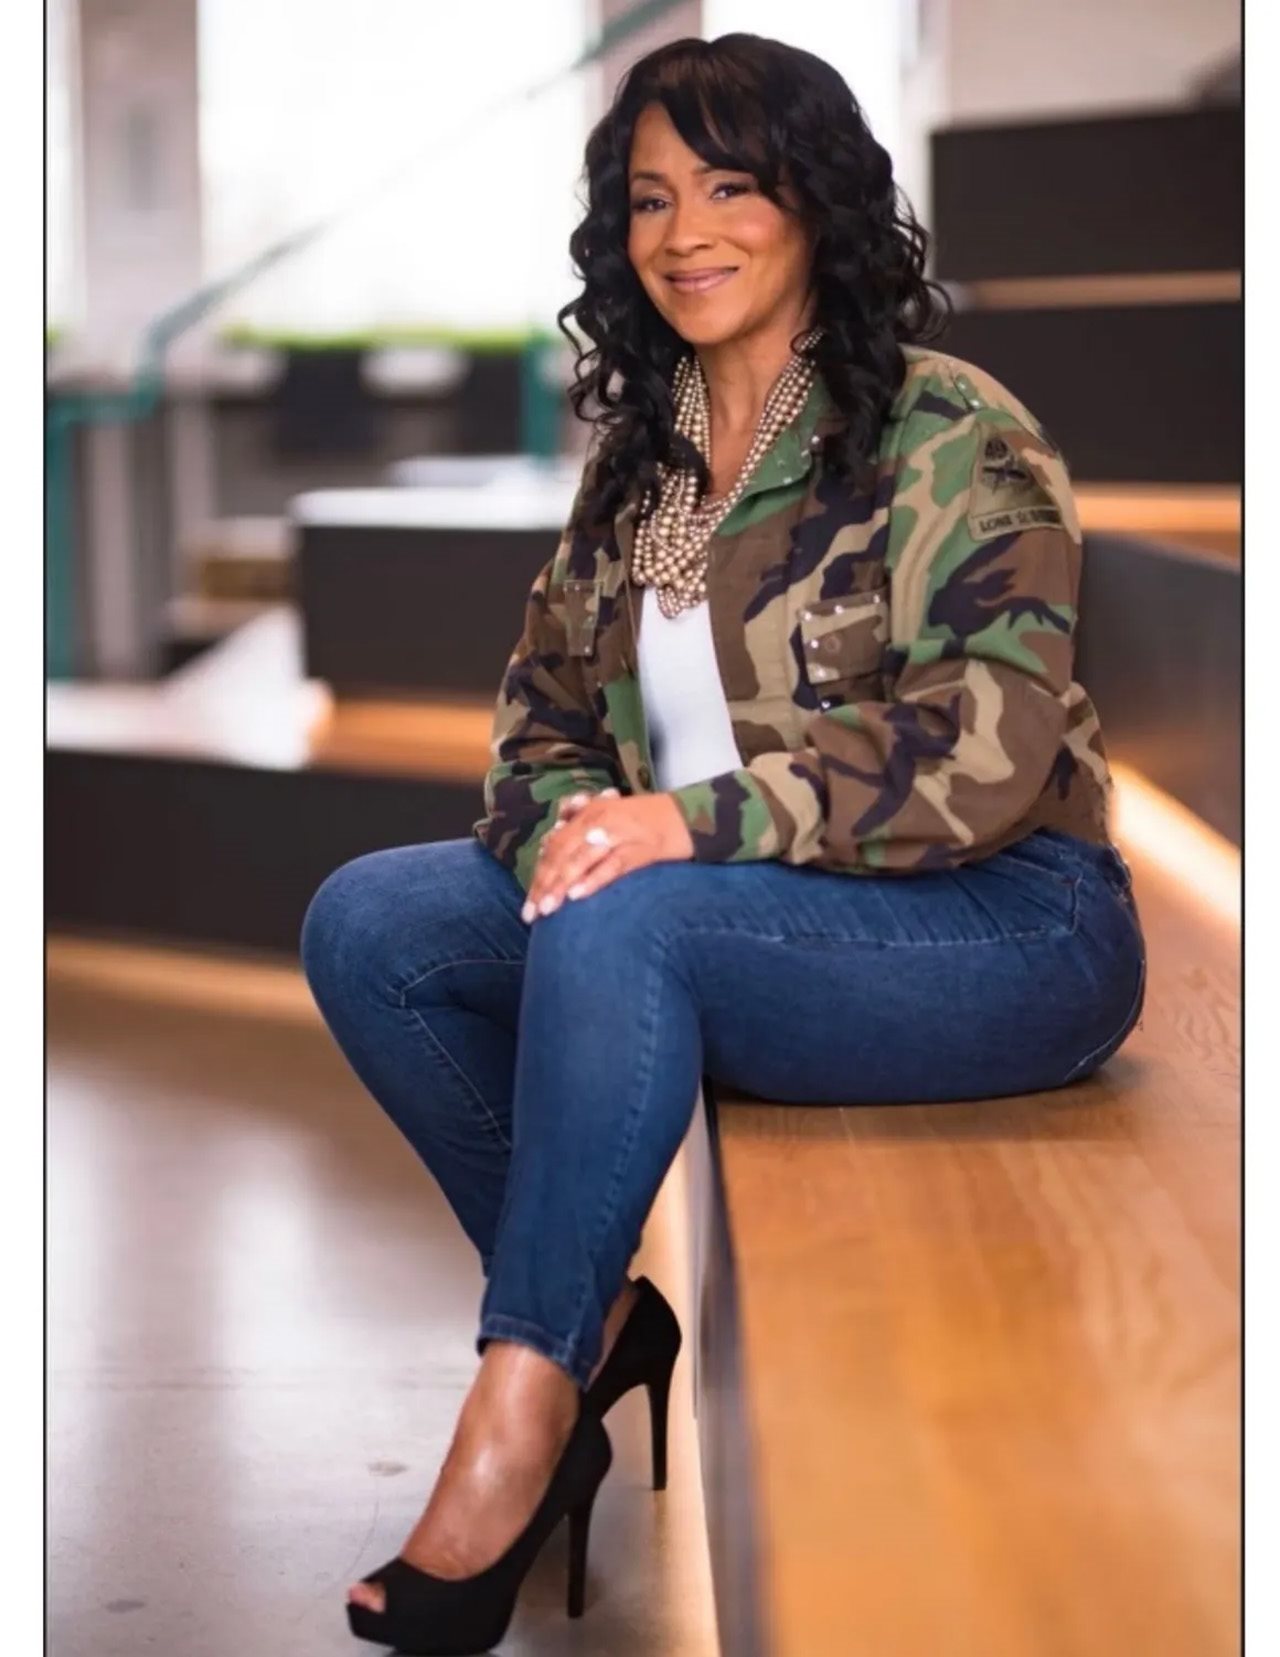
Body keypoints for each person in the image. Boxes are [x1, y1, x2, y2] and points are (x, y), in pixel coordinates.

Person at [300, 31, 1147, 1653]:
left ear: (815, 204)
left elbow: (985, 752)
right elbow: (538, 722)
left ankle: (518, 1409)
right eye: (648, 198)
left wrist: (675, 828)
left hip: (1007, 921)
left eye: (731, 187)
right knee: (374, 924)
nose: (684, 229)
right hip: (744, 911)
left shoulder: (947, 430)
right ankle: (602, 1322)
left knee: (629, 922)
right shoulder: (648, 462)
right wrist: (571, 828)